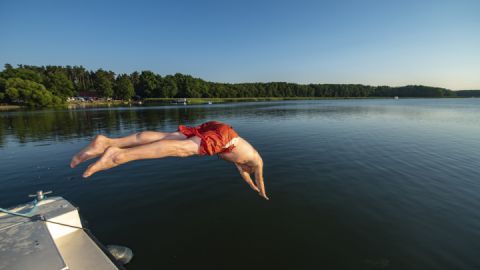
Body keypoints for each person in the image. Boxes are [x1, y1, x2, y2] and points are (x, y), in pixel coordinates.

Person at [70, 121, 269, 200]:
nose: (244, 169)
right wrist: (263, 191)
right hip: (225, 138)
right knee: (181, 150)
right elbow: (258, 177)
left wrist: (255, 191)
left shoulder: (241, 163)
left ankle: (107, 142)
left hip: (219, 129)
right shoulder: (256, 160)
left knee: (165, 137)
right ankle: (117, 155)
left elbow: (248, 179)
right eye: (246, 168)